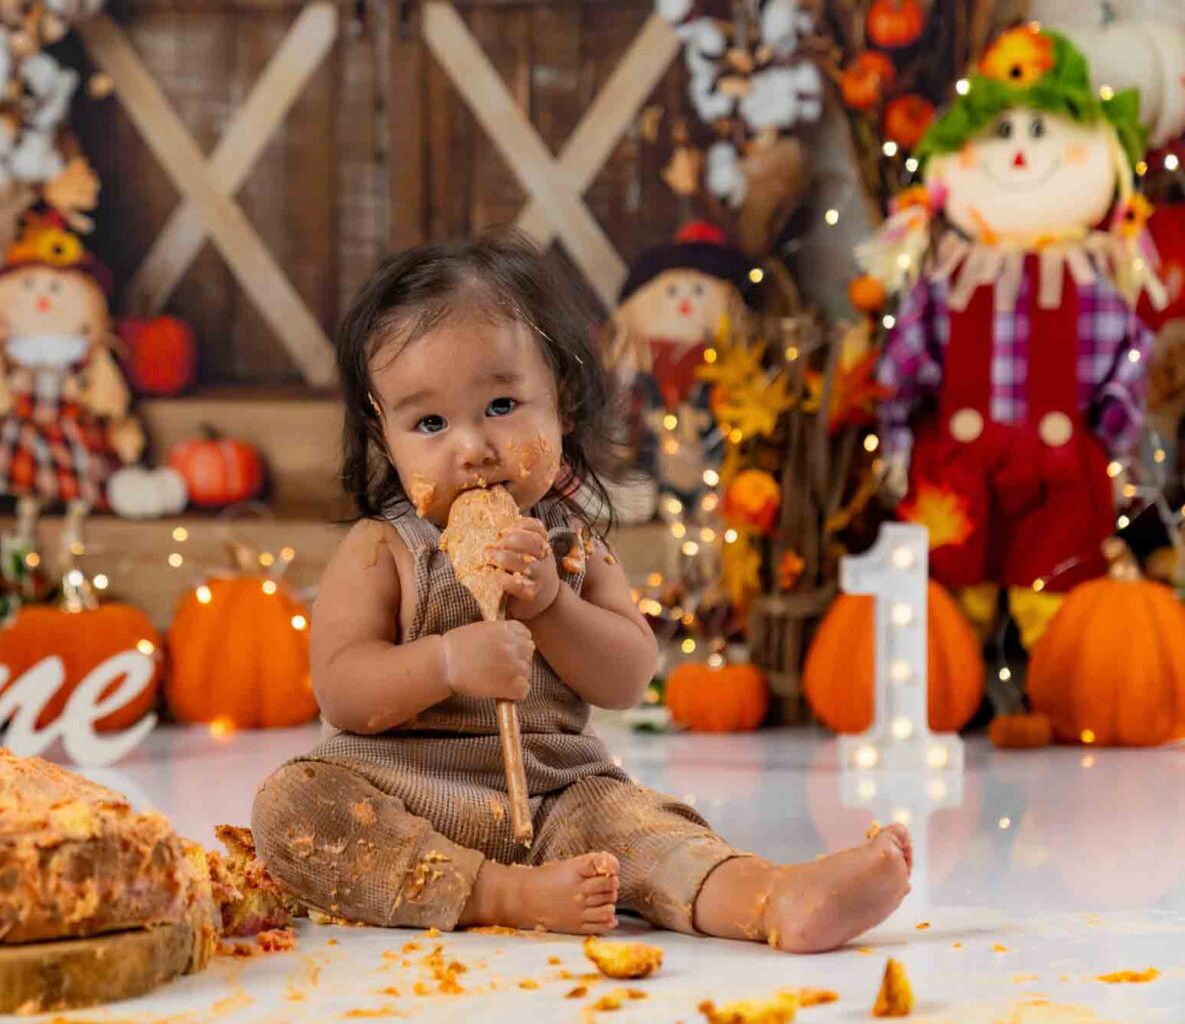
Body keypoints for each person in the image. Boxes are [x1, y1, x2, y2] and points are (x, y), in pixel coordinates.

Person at [252, 232, 910, 951]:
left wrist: (552, 607)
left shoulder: (573, 547)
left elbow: (628, 677)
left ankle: (771, 898)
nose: (471, 447)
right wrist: (444, 663)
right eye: (430, 423)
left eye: (501, 405)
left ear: (561, 404)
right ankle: (497, 894)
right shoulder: (383, 551)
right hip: (406, 799)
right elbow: (342, 690)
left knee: (642, 825)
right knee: (294, 806)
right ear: (386, 437)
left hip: (560, 798)